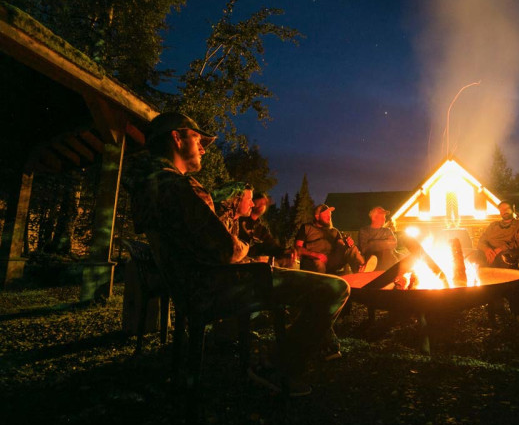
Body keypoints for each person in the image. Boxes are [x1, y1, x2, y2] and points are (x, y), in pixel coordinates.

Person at [124, 111, 349, 397]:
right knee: (334, 288)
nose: (204, 148)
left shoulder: (148, 186)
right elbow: (227, 249)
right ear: (177, 138)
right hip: (215, 287)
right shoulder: (178, 187)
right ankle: (276, 365)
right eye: (198, 139)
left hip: (189, 287)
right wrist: (247, 252)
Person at [474, 201, 519, 316]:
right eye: (501, 209)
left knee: (509, 284)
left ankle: (515, 312)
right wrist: (486, 249)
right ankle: (495, 306)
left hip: (507, 256)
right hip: (489, 256)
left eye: (507, 208)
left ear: (513, 209)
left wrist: (500, 249)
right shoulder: (493, 225)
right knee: (478, 261)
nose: (504, 211)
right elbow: (481, 241)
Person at [295, 204, 366, 275]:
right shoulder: (306, 228)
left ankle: (361, 270)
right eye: (325, 214)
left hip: (330, 261)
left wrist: (347, 244)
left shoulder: (334, 231)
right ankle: (322, 283)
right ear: (317, 217)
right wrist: (315, 255)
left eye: (330, 214)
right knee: (319, 262)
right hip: (312, 261)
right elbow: (298, 248)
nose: (329, 217)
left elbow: (341, 245)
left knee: (351, 249)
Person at [238, 192, 286, 260]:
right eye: (260, 202)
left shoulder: (261, 229)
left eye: (264, 203)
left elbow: (271, 245)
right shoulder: (239, 220)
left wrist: (285, 252)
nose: (263, 204)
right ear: (252, 202)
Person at [357, 206, 398, 271]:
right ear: (374, 218)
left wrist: (372, 243)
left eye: (384, 217)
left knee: (388, 253)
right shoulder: (364, 231)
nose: (384, 219)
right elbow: (364, 249)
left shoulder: (387, 230)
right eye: (382, 217)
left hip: (389, 259)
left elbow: (394, 243)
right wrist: (385, 243)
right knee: (384, 253)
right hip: (372, 261)